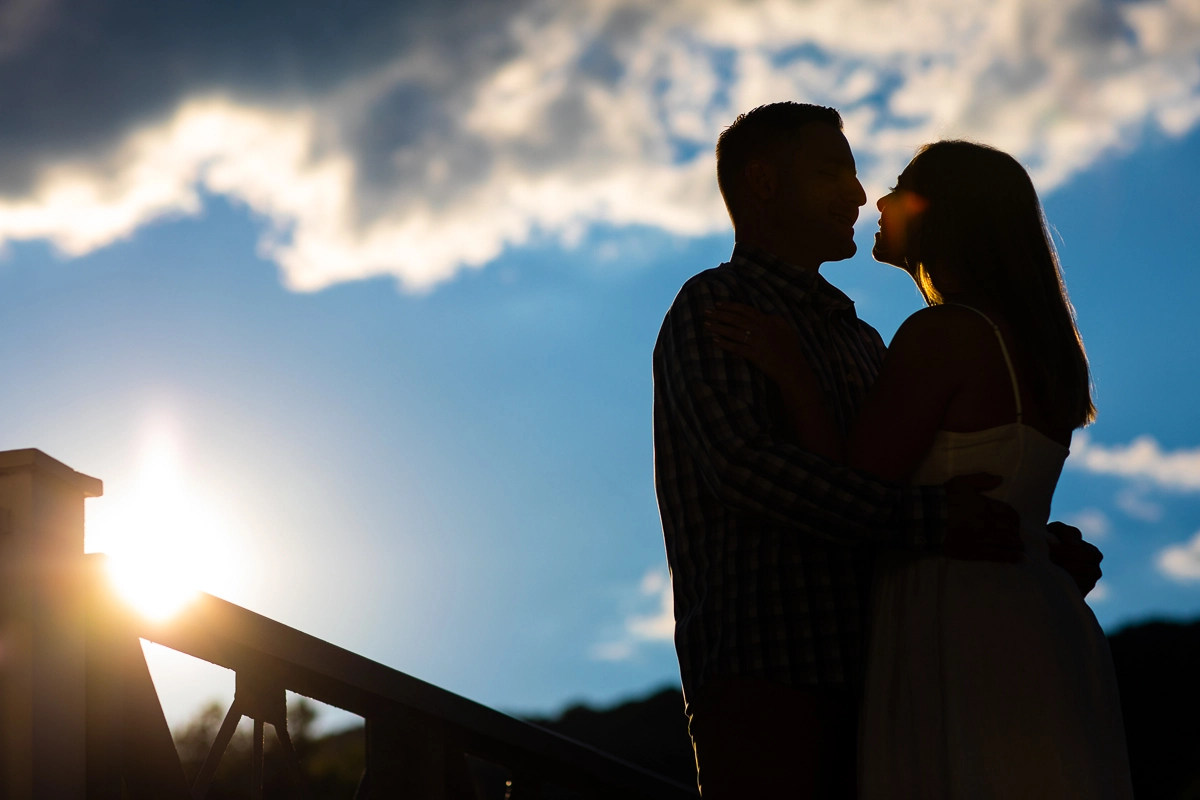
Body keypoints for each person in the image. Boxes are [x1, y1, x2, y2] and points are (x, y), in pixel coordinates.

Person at [652, 103, 1102, 798]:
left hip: (892, 666)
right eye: (832, 171)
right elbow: (746, 469)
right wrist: (945, 524)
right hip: (775, 671)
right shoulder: (717, 305)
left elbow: (893, 473)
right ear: (764, 183)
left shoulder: (864, 340)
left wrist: (1023, 538)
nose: (860, 196)